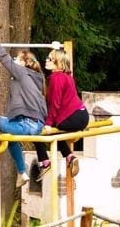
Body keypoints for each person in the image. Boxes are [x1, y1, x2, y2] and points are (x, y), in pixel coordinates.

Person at [0, 48, 47, 185]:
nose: (14, 60)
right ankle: (22, 172)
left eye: (17, 59)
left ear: (24, 63)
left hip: (27, 124)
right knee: (9, 136)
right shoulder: (36, 78)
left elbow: (4, 58)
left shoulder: (22, 72)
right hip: (36, 124)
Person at [32, 48, 90, 179]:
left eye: (50, 59)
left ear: (58, 62)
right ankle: (70, 156)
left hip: (73, 117)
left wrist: (48, 123)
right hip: (81, 115)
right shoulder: (67, 76)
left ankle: (45, 162)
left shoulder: (56, 78)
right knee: (55, 131)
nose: (46, 60)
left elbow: (55, 104)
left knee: (36, 129)